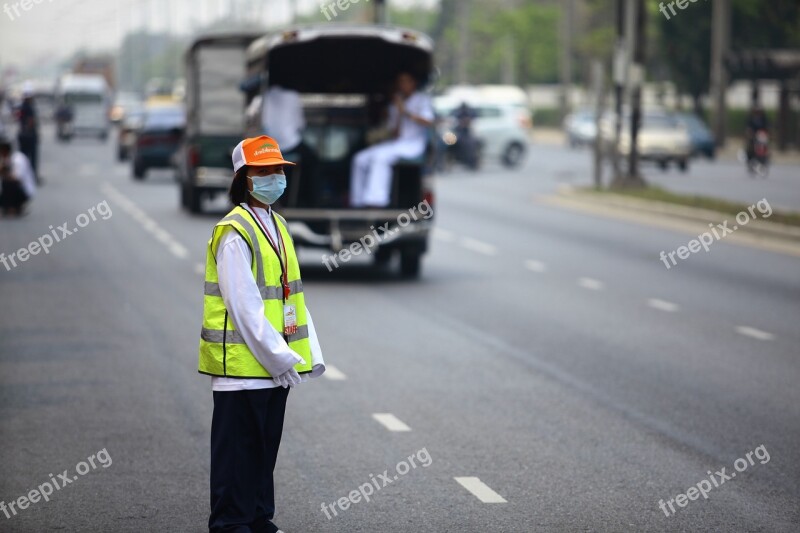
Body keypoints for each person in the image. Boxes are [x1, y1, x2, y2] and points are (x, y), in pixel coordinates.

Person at [198, 135, 326, 533]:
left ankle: (258, 519)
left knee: (262, 453)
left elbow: (292, 298)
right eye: (264, 171)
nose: (274, 178)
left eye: (279, 171)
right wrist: (280, 357)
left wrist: (307, 356)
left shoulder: (278, 224)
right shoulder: (235, 231)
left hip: (273, 367)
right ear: (243, 178)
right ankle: (232, 524)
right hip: (243, 369)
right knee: (238, 455)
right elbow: (245, 307)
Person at [350, 72, 434, 207]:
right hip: (398, 143)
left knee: (380, 156)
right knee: (360, 159)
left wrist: (405, 112)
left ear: (414, 83)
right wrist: (394, 114)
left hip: (414, 145)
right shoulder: (396, 103)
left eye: (406, 81)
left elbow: (428, 121)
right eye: (400, 82)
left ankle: (376, 201)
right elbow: (394, 133)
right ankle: (357, 201)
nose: (402, 85)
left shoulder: (421, 100)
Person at [261, 85, 318, 205]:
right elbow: (301, 124)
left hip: (268, 147)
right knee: (313, 161)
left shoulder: (262, 96)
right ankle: (310, 202)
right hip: (290, 144)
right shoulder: (293, 95)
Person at [0, 135, 36, 217]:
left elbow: (17, 179)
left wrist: (3, 171)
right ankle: (8, 206)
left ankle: (14, 206)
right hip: (17, 188)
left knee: (7, 182)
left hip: (24, 191)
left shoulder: (18, 159)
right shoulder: (8, 159)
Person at [17, 86, 40, 184]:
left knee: (23, 158)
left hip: (23, 135)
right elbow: (31, 121)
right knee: (32, 158)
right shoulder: (29, 107)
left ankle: (23, 177)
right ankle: (31, 178)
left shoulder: (22, 106)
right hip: (29, 136)